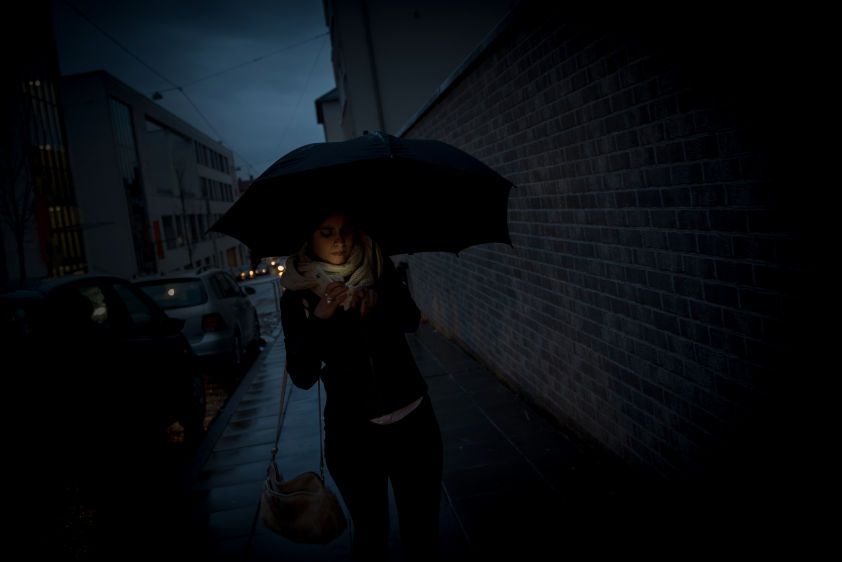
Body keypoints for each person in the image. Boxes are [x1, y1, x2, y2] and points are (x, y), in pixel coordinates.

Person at [279, 210, 443, 561]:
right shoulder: (299, 298)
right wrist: (321, 318)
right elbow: (303, 375)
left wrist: (379, 305)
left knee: (423, 533)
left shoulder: (379, 268)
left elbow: (412, 321)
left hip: (415, 425)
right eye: (326, 232)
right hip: (353, 438)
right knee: (371, 537)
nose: (339, 240)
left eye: (346, 231)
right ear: (309, 239)